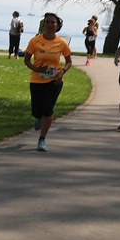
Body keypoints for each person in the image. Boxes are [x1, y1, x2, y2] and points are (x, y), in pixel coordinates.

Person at [23, 13, 73, 152]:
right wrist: (36, 68)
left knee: (48, 109)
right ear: (44, 24)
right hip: (37, 80)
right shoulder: (35, 41)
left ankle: (42, 139)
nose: (50, 25)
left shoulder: (61, 42)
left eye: (53, 22)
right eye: (48, 22)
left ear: (57, 25)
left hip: (54, 80)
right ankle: (38, 118)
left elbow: (69, 61)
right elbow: (26, 60)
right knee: (36, 110)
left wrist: (62, 72)